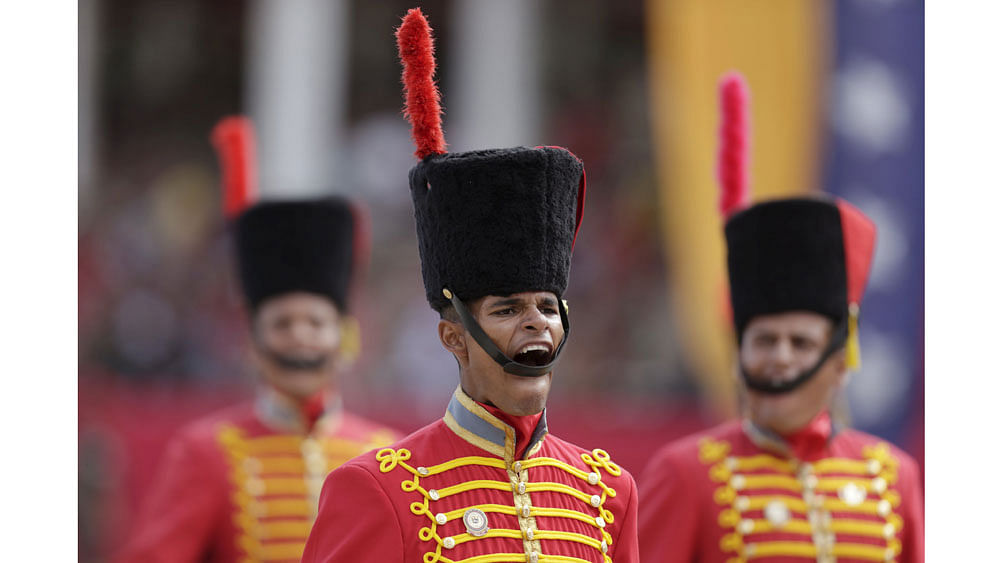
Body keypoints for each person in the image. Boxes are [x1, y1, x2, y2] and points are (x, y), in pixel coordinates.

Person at [301, 8, 638, 563]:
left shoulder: (608, 494)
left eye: (547, 307)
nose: (536, 322)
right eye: (506, 309)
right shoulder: (381, 489)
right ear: (453, 338)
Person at [637, 73, 923, 563]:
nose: (780, 358)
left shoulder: (893, 476)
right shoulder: (685, 474)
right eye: (764, 340)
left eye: (801, 343)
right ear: (740, 352)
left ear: (839, 357)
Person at [117, 116, 400, 563]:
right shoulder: (207, 452)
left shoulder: (387, 454)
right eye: (282, 324)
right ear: (251, 342)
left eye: (315, 323)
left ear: (344, 339)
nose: (300, 338)